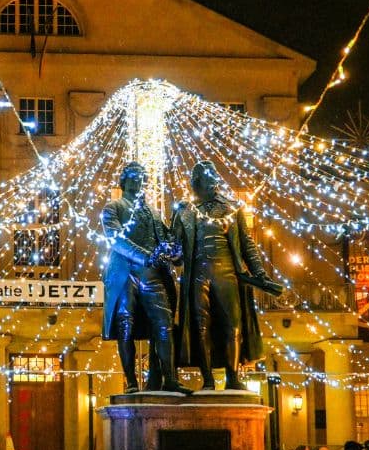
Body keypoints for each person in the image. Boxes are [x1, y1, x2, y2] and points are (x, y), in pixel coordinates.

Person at [171, 161, 281, 390]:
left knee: (233, 324)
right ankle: (208, 380)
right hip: (198, 272)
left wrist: (259, 273)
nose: (212, 183)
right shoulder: (184, 210)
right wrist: (171, 253)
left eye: (213, 178)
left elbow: (247, 244)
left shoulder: (233, 208)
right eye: (206, 179)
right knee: (200, 326)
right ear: (197, 181)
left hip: (227, 271)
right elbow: (176, 250)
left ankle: (233, 377)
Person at [101, 162, 190, 394]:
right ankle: (131, 381)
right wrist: (145, 256)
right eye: (132, 176)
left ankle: (170, 378)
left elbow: (166, 240)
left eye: (141, 177)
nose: (138, 180)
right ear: (124, 180)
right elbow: (115, 239)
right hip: (124, 272)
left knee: (164, 322)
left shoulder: (152, 211)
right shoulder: (113, 207)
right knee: (125, 326)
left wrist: (176, 243)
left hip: (152, 273)